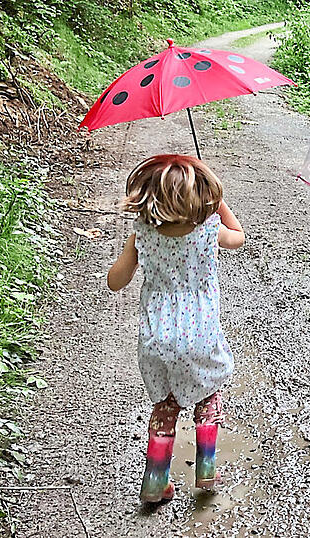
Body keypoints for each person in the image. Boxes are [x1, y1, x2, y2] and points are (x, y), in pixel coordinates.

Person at [106, 154, 245, 503]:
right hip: (201, 334)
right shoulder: (209, 230)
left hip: (158, 337)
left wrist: (135, 252)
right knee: (207, 395)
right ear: (203, 197)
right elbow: (239, 237)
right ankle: (206, 469)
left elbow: (115, 281)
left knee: (165, 406)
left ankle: (155, 481)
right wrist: (219, 205)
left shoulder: (143, 233)